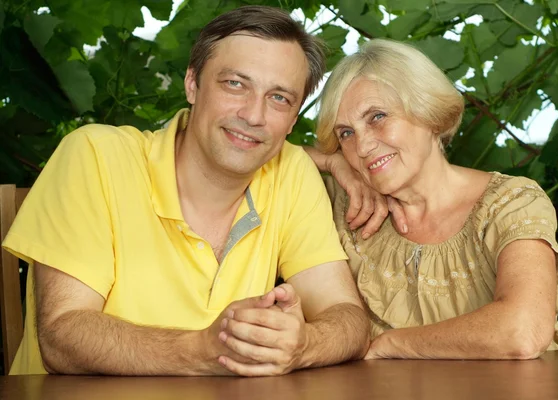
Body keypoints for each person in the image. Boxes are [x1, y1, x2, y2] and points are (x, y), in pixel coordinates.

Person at [1, 6, 370, 376]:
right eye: (235, 84)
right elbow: (61, 337)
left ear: (292, 119)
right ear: (192, 84)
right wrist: (203, 349)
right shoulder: (95, 156)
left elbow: (348, 318)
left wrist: (305, 344)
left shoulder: (290, 172)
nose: (254, 115)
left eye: (279, 98)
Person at [308, 39, 558, 360]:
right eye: (346, 133)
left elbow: (521, 331)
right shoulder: (343, 202)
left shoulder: (511, 202)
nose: (361, 147)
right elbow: (249, 150)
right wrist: (330, 162)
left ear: (429, 113)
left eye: (377, 117)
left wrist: (388, 344)